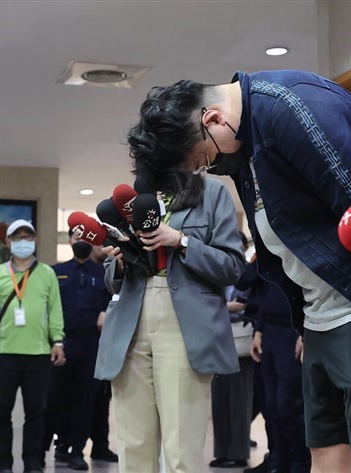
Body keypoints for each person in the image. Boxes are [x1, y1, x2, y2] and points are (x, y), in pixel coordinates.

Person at [125, 68, 351, 473]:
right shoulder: (243, 136)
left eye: (205, 159)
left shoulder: (293, 108)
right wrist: (308, 325)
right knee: (325, 452)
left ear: (213, 119)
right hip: (321, 316)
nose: (211, 166)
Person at [93, 171, 246, 472]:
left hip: (185, 322)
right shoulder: (134, 198)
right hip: (128, 321)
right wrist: (121, 261)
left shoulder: (210, 192)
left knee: (181, 449)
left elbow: (232, 267)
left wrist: (181, 240)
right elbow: (112, 281)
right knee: (132, 447)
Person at [0, 219, 65, 473]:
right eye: (18, 238)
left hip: (38, 353)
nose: (23, 242)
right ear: (8, 242)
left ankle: (33, 463)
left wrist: (57, 341)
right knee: (1, 411)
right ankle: (3, 462)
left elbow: (55, 310)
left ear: (35, 241)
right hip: (3, 352)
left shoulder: (47, 273)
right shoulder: (0, 273)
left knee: (36, 412)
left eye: (28, 237)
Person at [42, 229, 111, 470]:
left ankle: (77, 451)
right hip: (62, 343)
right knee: (55, 398)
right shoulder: (56, 271)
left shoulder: (102, 273)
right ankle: (52, 447)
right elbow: (46, 307)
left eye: (85, 238)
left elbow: (114, 303)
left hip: (91, 344)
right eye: (76, 237)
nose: (80, 242)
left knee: (85, 400)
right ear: (69, 240)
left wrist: (106, 313)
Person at [245, 248, 310, 473]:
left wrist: (304, 332)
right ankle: (277, 460)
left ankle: (299, 463)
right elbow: (266, 290)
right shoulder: (271, 253)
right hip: (269, 330)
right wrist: (259, 330)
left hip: (291, 332)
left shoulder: (299, 247)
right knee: (269, 403)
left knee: (289, 404)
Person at [210, 232, 255, 469]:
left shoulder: (249, 272)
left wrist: (225, 307)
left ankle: (238, 452)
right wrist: (226, 306)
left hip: (241, 339)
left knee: (239, 400)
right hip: (218, 339)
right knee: (219, 400)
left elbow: (248, 303)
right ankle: (221, 450)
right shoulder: (218, 272)